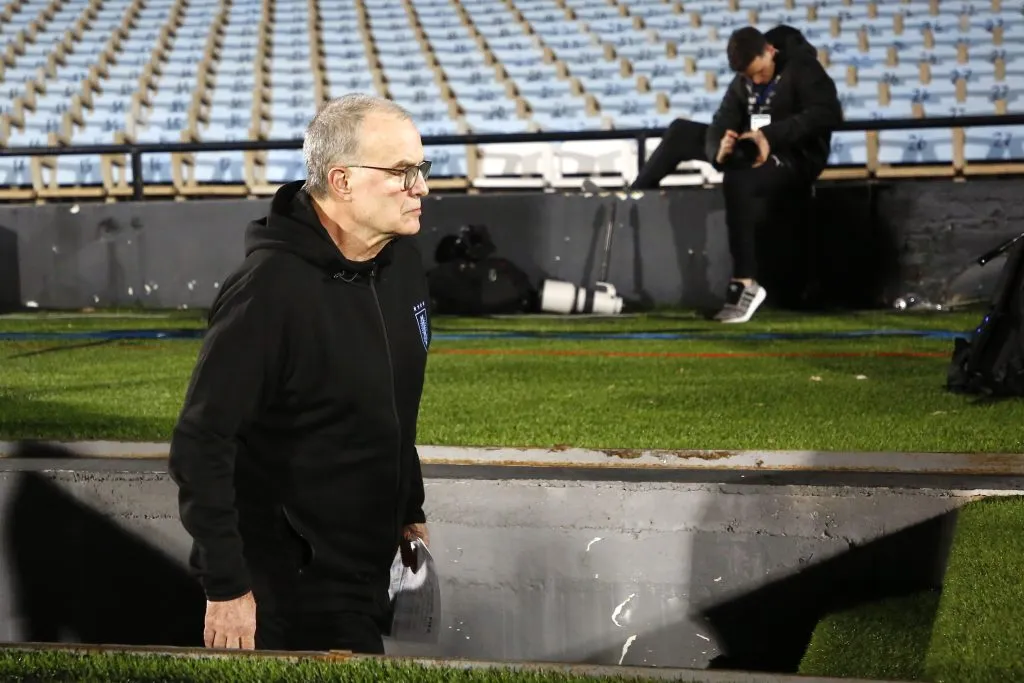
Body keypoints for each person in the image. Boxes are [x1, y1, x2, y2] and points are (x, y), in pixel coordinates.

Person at [167, 93, 434, 654]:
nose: (422, 187)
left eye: (422, 168)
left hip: (365, 568)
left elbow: (392, 406)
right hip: (284, 588)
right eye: (402, 172)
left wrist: (409, 509)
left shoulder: (401, 267)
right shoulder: (269, 289)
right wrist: (227, 583)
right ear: (341, 180)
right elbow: (203, 439)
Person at [633, 25, 843, 322]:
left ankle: (745, 283)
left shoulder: (803, 67)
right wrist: (718, 152)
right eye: (749, 76)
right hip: (751, 148)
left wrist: (771, 136)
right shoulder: (743, 82)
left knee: (738, 178)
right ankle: (631, 198)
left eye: (760, 73)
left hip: (795, 156)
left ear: (770, 51)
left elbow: (828, 114)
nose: (756, 80)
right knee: (680, 132)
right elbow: (722, 119)